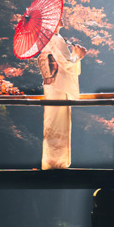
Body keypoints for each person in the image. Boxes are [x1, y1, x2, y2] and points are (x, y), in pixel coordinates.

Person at [37, 21, 87, 169]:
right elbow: (66, 64)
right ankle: (56, 164)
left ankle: (51, 161)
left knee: (52, 122)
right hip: (58, 85)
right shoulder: (56, 39)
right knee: (58, 124)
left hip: (52, 85)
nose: (62, 18)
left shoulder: (48, 38)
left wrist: (74, 54)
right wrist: (78, 56)